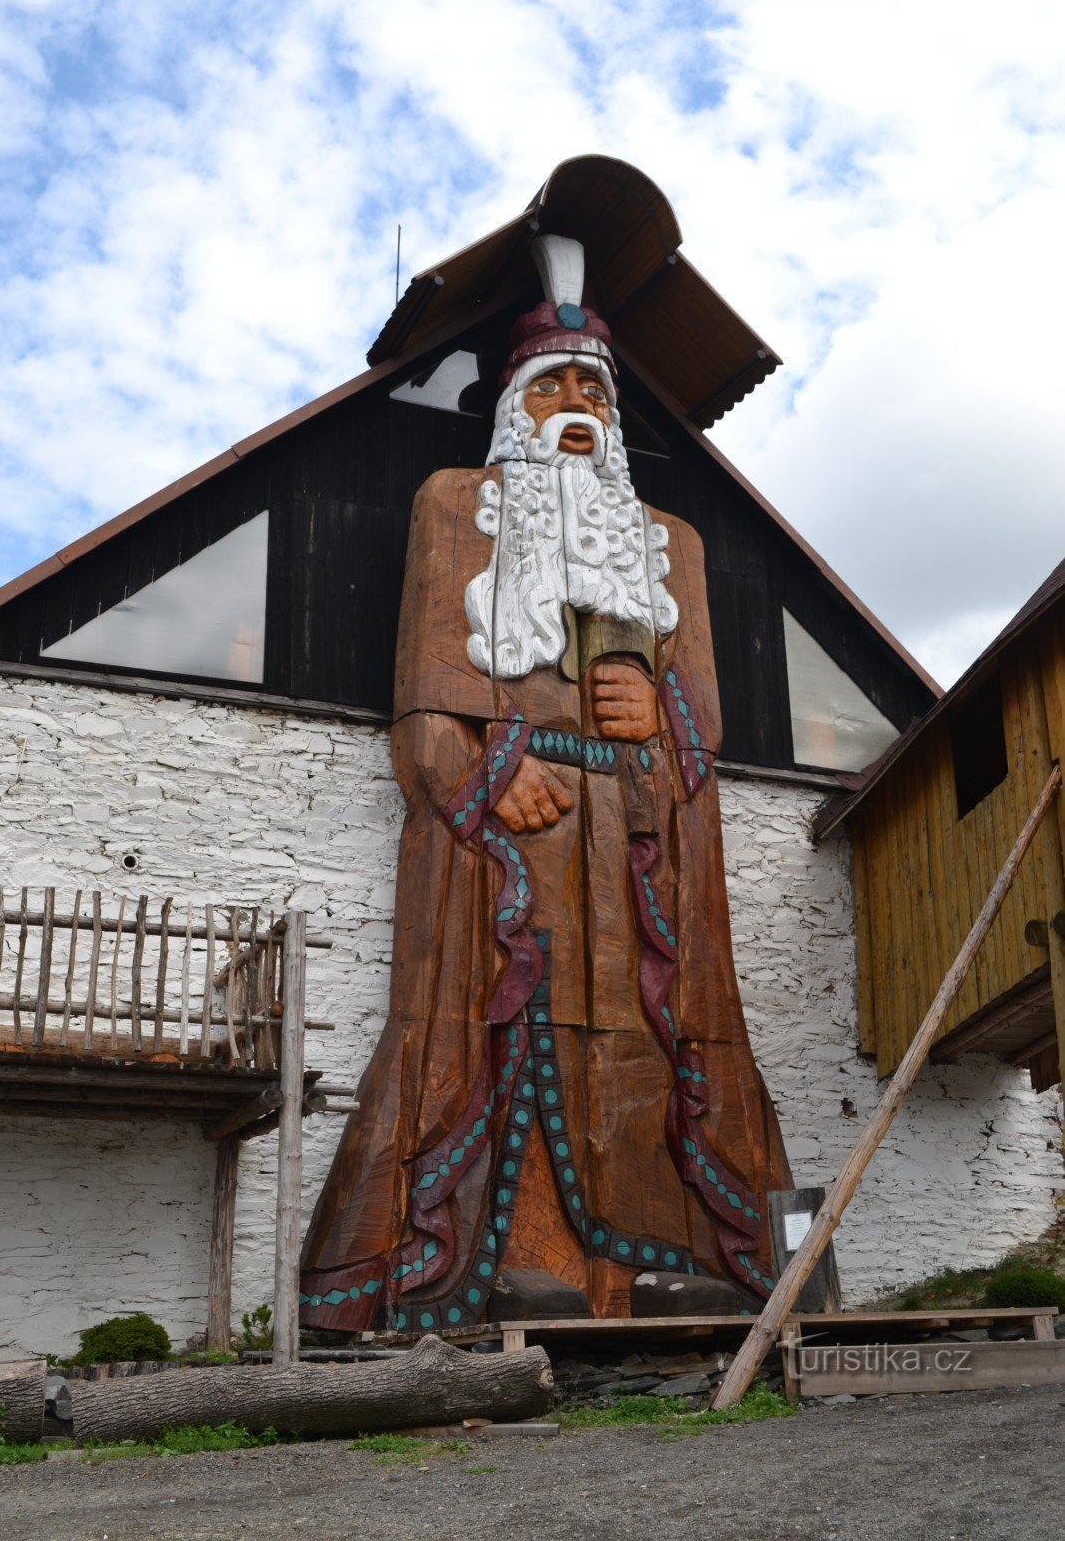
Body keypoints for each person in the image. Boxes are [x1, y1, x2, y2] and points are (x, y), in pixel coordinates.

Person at [300, 236, 792, 1333]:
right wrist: (483, 773)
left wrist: (657, 711)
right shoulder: (457, 506)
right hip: (509, 833)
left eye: (595, 391)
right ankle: (492, 1261)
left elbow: (703, 720)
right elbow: (423, 699)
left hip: (638, 833)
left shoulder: (668, 545)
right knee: (499, 1025)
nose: (577, 406)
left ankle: (660, 1260)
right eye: (552, 386)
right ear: (511, 409)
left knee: (648, 1038)